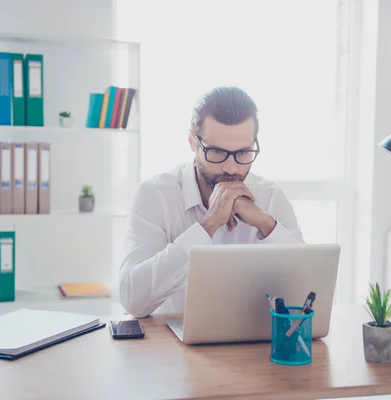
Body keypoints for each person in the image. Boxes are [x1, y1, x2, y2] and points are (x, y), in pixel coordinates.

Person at [119, 86, 304, 318]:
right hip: (171, 347)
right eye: (216, 153)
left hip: (255, 346)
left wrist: (267, 225)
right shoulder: (154, 195)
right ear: (192, 142)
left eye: (244, 153)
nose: (231, 168)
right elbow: (132, 300)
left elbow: (306, 296)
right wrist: (208, 225)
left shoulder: (271, 197)